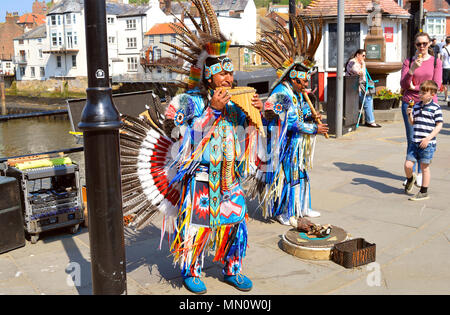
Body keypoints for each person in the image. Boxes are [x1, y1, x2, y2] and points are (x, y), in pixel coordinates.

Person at [249, 16, 328, 225]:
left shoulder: (296, 92)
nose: (305, 83)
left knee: (301, 174)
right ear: (293, 77)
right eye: (303, 80)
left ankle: (302, 207)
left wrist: (311, 115)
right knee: (290, 177)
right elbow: (291, 122)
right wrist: (314, 128)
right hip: (284, 144)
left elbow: (300, 113)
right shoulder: (282, 93)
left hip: (296, 144)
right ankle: (286, 212)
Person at [400, 32, 442, 188]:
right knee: (412, 139)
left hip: (429, 106)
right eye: (419, 44)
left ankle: (421, 171)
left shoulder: (436, 62)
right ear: (415, 45)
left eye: (425, 43)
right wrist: (412, 70)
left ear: (430, 43)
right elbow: (404, 85)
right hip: (410, 103)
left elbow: (436, 85)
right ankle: (414, 174)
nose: (422, 46)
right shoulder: (409, 61)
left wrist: (415, 87)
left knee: (425, 140)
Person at [404, 80, 443, 201]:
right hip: (415, 142)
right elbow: (413, 123)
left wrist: (428, 138)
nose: (420, 94)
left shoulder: (436, 108)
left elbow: (439, 125)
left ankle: (423, 191)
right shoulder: (416, 106)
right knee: (408, 165)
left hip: (427, 144)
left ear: (432, 94)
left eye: (423, 92)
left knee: (424, 167)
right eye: (420, 91)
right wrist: (409, 115)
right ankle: (411, 179)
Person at [345, 49, 381, 128]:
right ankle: (370, 122)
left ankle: (369, 120)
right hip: (354, 87)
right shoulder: (352, 62)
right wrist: (363, 65)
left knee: (369, 99)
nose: (364, 57)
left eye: (365, 56)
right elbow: (359, 73)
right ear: (358, 55)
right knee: (367, 100)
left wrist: (362, 64)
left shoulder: (360, 62)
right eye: (363, 55)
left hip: (362, 85)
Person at [440, 37, 450, 104]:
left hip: (445, 67)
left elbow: (441, 59)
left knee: (445, 83)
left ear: (445, 42)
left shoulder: (443, 49)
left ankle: (446, 97)